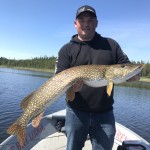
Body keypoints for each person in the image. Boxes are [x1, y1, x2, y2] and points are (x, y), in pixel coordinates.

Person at [56, 5, 140, 150]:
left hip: (104, 115)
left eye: (90, 20)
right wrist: (70, 88)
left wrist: (134, 74)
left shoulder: (111, 45)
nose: (86, 24)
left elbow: (126, 66)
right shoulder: (66, 50)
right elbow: (58, 79)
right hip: (75, 112)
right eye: (82, 20)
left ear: (97, 23)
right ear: (75, 24)